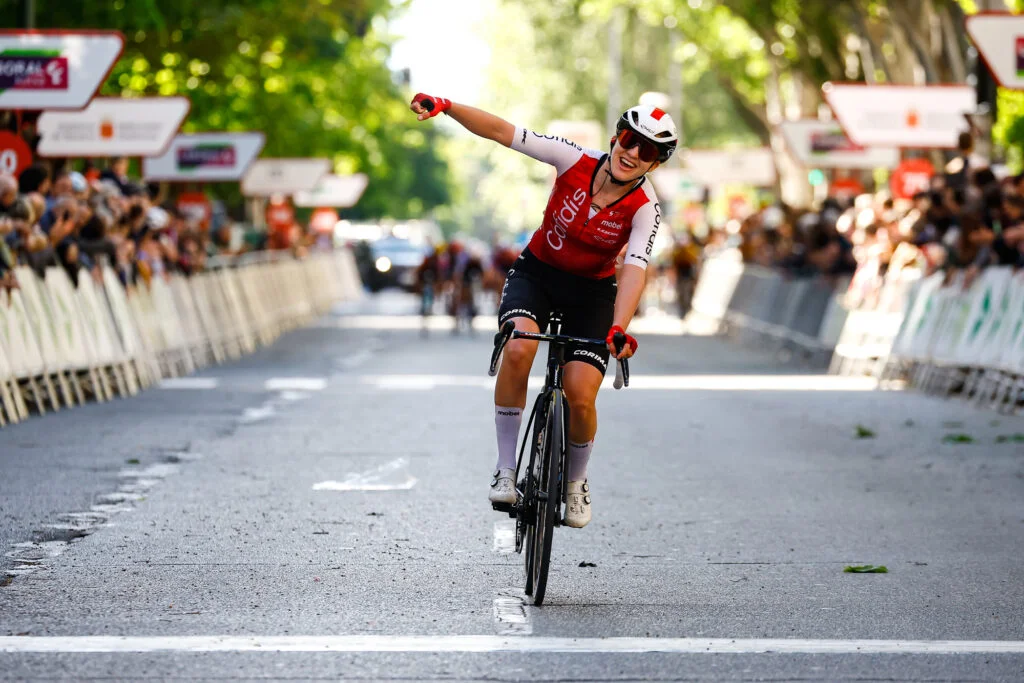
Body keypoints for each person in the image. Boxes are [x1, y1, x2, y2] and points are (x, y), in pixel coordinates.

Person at [411, 93, 675, 528]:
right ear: (615, 138)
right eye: (629, 139)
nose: (632, 153)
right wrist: (446, 105)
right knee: (518, 350)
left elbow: (634, 268)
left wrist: (618, 328)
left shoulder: (646, 208)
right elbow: (501, 132)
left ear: (655, 164)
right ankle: (506, 469)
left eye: (647, 150)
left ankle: (575, 483)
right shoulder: (573, 158)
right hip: (537, 275)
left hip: (591, 294)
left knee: (581, 393)